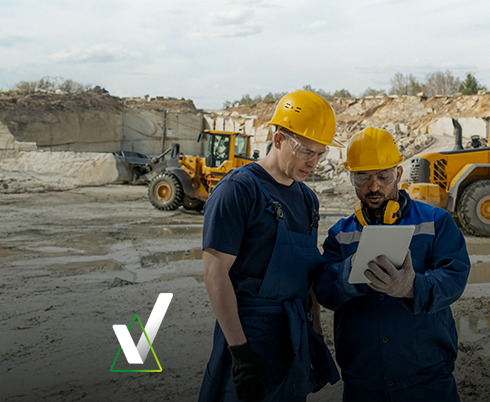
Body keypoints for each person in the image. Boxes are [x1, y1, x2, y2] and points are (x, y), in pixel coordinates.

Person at [199, 90, 340, 402]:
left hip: (294, 337)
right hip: (250, 335)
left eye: (320, 153)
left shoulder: (308, 199)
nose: (313, 162)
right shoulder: (238, 190)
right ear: (278, 139)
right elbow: (214, 274)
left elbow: (308, 273)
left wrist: (315, 330)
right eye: (306, 151)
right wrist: (240, 351)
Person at [313, 127, 470, 401]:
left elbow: (455, 277)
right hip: (364, 381)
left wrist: (413, 287)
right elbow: (325, 293)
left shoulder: (436, 222)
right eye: (363, 177)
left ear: (398, 174)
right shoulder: (340, 234)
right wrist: (349, 271)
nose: (373, 187)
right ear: (351, 178)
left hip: (428, 377)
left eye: (383, 176)